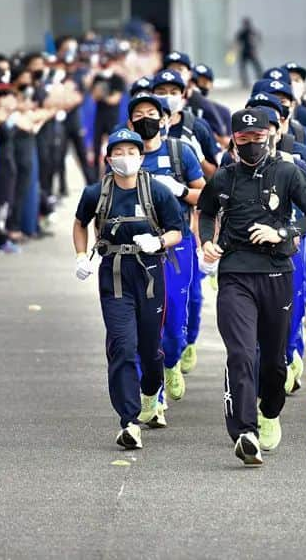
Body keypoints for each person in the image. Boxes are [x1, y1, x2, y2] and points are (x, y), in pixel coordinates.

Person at [197, 108, 306, 465]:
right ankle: (244, 432)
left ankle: (269, 413)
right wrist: (207, 240)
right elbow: (205, 212)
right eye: (243, 139)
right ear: (233, 141)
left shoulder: (287, 172)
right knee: (239, 353)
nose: (251, 145)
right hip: (235, 273)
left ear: (269, 136)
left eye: (257, 138)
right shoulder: (224, 178)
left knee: (274, 362)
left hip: (276, 272)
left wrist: (283, 232)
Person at [72, 129, 183, 450]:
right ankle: (128, 420)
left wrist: (158, 241)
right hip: (115, 275)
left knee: (150, 348)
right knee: (122, 345)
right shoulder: (97, 193)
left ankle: (151, 394)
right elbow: (80, 223)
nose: (125, 158)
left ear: (141, 157)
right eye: (118, 153)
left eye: (131, 152)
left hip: (149, 273)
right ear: (108, 160)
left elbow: (176, 230)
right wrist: (81, 255)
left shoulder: (157, 191)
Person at [125, 94, 205, 403]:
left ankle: (171, 362)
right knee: (145, 323)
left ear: (165, 120)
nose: (145, 118)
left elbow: (205, 195)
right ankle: (152, 396)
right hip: (137, 248)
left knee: (173, 322)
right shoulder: (124, 155)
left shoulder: (179, 153)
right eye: (138, 114)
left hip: (176, 244)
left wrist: (181, 190)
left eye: (151, 113)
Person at [234, 17, 263, 88]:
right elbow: (237, 42)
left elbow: (257, 39)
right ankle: (245, 82)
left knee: (254, 67)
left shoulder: (250, 32)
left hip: (249, 52)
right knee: (248, 67)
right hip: (247, 52)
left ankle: (258, 80)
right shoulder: (246, 32)